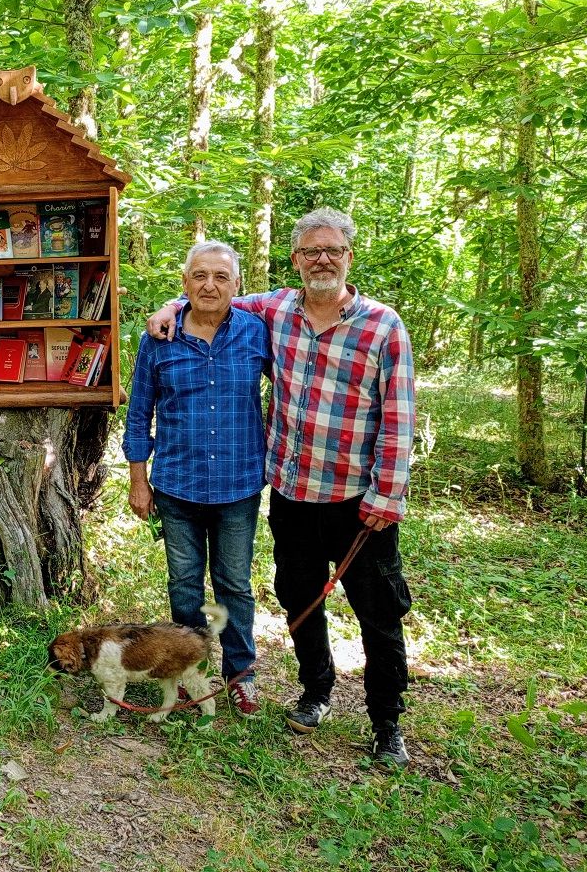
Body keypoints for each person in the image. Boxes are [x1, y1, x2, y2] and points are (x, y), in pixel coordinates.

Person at [147, 207, 416, 766]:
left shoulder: (383, 326)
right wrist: (171, 306)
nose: (322, 259)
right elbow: (213, 298)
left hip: (357, 501)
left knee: (377, 611)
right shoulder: (276, 311)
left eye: (332, 251)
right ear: (295, 260)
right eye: (311, 251)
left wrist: (386, 495)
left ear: (348, 257)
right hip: (292, 493)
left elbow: (399, 416)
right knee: (300, 599)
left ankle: (386, 721)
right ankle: (316, 692)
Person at [123, 241, 271, 716]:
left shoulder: (256, 331)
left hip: (238, 483)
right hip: (177, 484)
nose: (210, 285)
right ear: (184, 283)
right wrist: (137, 479)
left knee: (234, 583)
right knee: (184, 583)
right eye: (200, 276)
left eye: (221, 277)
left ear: (237, 285)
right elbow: (139, 410)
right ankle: (188, 671)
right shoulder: (158, 340)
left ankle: (240, 674)